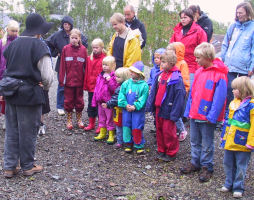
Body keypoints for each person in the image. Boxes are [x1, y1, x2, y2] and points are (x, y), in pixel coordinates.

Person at [3, 13, 54, 178]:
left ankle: (9, 167)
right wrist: (44, 87)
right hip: (30, 94)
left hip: (11, 91)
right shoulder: (39, 45)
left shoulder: (13, 43)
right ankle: (27, 166)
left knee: (12, 130)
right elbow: (47, 76)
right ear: (39, 31)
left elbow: (7, 64)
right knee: (29, 131)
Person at [180, 42, 228, 182]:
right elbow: (193, 93)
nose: (196, 60)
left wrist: (212, 116)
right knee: (194, 140)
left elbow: (219, 98)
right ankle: (195, 162)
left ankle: (207, 166)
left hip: (207, 116)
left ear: (208, 57)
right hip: (195, 113)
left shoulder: (219, 74)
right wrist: (188, 110)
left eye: (198, 57)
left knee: (207, 142)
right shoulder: (200, 71)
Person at [146, 51, 186, 161]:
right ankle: (161, 149)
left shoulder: (176, 78)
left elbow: (179, 97)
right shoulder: (160, 75)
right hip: (158, 108)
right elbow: (154, 91)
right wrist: (151, 106)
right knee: (159, 130)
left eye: (164, 62)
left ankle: (171, 152)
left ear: (171, 63)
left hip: (169, 109)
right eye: (161, 62)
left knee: (169, 132)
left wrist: (175, 113)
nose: (161, 64)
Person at [46, 16, 88, 116]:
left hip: (75, 65)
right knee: (62, 86)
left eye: (68, 24)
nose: (66, 26)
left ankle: (71, 105)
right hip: (62, 63)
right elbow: (47, 43)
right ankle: (60, 106)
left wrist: (80, 51)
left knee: (73, 87)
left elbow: (85, 42)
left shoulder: (76, 33)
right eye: (65, 24)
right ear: (62, 24)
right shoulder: (57, 35)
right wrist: (55, 52)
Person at [220, 76, 254, 198]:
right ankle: (229, 183)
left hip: (243, 142)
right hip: (230, 140)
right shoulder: (233, 103)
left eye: (235, 89)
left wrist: (251, 142)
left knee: (241, 165)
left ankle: (238, 186)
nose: (233, 91)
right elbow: (228, 121)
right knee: (228, 163)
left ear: (243, 90)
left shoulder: (251, 105)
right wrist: (224, 136)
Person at [220, 2, 254, 116]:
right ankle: (228, 115)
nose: (239, 15)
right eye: (237, 12)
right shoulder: (233, 26)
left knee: (243, 92)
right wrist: (224, 59)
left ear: (248, 13)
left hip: (244, 67)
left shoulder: (252, 28)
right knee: (229, 90)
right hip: (230, 65)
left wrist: (251, 66)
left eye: (241, 12)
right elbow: (225, 43)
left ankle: (242, 115)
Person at [59, 28, 88, 130]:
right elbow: (62, 65)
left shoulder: (84, 50)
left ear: (79, 38)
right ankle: (69, 119)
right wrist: (62, 79)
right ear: (69, 38)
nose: (74, 40)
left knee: (80, 101)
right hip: (69, 82)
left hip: (79, 82)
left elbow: (86, 67)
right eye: (72, 38)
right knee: (68, 100)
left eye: (76, 38)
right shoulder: (65, 49)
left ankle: (79, 119)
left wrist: (86, 82)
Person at [118, 61, 149, 154]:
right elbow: (121, 95)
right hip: (127, 109)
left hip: (137, 111)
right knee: (126, 125)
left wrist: (136, 106)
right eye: (130, 71)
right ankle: (128, 143)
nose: (131, 73)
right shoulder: (126, 83)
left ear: (139, 73)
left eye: (133, 71)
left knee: (137, 126)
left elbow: (144, 98)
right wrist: (125, 104)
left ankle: (138, 144)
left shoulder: (144, 85)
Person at [170, 8, 207, 86]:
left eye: (185, 17)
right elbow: (171, 48)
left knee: (188, 89)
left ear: (191, 18)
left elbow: (203, 50)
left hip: (192, 66)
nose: (183, 20)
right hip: (177, 66)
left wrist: (199, 68)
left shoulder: (199, 31)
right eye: (181, 18)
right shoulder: (177, 32)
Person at [92, 56, 118, 144]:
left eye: (107, 65)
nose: (104, 67)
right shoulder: (100, 75)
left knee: (110, 118)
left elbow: (114, 89)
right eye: (103, 65)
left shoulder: (114, 76)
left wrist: (109, 81)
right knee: (101, 117)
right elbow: (96, 88)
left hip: (108, 102)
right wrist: (94, 99)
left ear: (113, 66)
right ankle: (102, 132)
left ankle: (111, 134)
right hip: (100, 101)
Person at [102, 67, 130, 148]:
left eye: (118, 77)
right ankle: (126, 141)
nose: (116, 78)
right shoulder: (127, 86)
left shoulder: (121, 88)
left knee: (119, 126)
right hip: (123, 110)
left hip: (120, 110)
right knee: (125, 126)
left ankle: (120, 141)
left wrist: (108, 104)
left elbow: (116, 99)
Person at [167, 42, 190, 141]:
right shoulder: (167, 63)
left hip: (178, 92)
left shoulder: (182, 64)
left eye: (171, 51)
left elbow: (185, 78)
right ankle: (173, 130)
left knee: (176, 112)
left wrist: (184, 90)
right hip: (168, 92)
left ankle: (181, 130)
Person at [84, 38, 106, 133]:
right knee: (91, 105)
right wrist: (86, 84)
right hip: (91, 87)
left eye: (96, 47)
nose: (94, 49)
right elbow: (87, 72)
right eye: (93, 47)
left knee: (100, 106)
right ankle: (91, 123)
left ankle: (101, 125)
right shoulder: (89, 58)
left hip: (100, 88)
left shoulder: (105, 59)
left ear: (101, 47)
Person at [0, 20, 19, 128]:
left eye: (16, 31)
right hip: (2, 73)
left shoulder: (19, 42)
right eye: (12, 31)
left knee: (9, 98)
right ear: (7, 30)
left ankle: (8, 120)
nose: (15, 33)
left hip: (13, 74)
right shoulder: (1, 43)